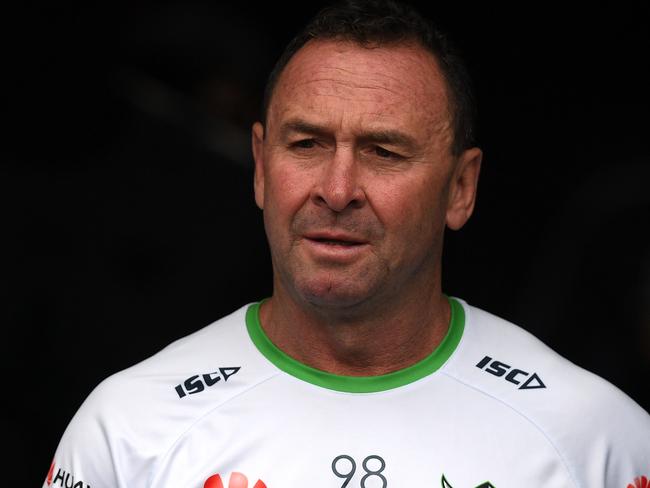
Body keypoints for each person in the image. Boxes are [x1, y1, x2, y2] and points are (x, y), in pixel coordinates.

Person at [43, 1, 649, 487]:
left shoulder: (595, 440)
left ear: (460, 189)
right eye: (305, 144)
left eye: (383, 152)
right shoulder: (129, 428)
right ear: (259, 167)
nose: (336, 190)